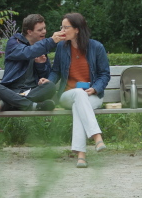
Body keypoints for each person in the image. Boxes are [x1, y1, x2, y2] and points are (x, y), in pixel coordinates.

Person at [43, 13, 110, 168]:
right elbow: (56, 71)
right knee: (78, 95)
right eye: (62, 27)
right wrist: (49, 81)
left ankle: (81, 155)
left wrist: (95, 88)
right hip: (68, 94)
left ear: (77, 29)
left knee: (78, 106)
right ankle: (97, 136)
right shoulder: (61, 47)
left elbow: (104, 74)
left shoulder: (96, 47)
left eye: (66, 27)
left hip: (92, 95)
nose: (62, 30)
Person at [0, 14, 66, 111]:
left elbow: (45, 78)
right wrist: (51, 41)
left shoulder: (42, 47)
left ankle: (12, 105)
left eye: (44, 28)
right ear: (29, 32)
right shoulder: (14, 43)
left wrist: (40, 65)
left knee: (50, 86)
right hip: (11, 92)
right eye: (40, 30)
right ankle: (33, 106)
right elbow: (28, 52)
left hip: (32, 92)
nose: (44, 31)